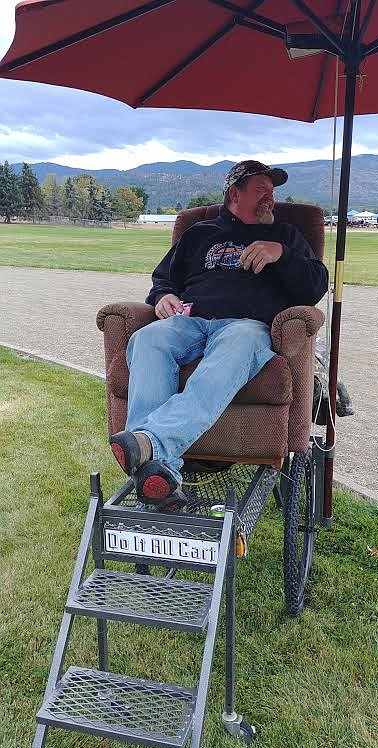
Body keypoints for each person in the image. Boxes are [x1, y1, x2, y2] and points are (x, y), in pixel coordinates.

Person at [109, 160, 328, 511]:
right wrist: (163, 296)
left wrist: (282, 255)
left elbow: (315, 288)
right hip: (190, 320)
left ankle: (149, 447)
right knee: (148, 339)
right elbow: (165, 278)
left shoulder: (286, 236)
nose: (269, 197)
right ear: (234, 193)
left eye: (272, 191)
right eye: (261, 190)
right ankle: (156, 470)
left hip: (246, 324)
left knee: (237, 345)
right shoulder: (199, 233)